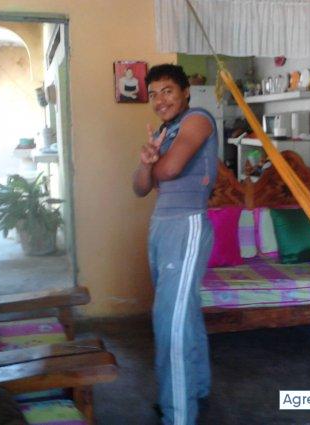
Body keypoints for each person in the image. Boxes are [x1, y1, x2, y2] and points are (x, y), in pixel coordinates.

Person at [132, 64, 218, 425]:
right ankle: (195, 388)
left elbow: (169, 171)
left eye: (167, 91)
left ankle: (178, 414)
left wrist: (156, 165)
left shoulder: (198, 119)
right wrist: (146, 162)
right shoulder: (163, 133)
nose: (160, 100)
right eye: (153, 94)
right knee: (184, 314)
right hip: (161, 225)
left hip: (186, 224)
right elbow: (140, 187)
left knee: (170, 322)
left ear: (185, 92)